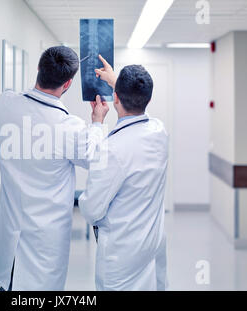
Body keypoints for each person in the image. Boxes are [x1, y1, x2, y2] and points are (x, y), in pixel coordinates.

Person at [0, 46, 109, 291]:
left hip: (9, 236)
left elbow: (19, 99)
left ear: (39, 69)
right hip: (44, 241)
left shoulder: (5, 106)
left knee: (9, 286)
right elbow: (97, 158)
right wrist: (97, 122)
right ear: (68, 84)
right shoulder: (69, 128)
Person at [79, 55, 169, 291]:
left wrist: (97, 124)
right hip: (150, 249)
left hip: (121, 256)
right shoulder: (160, 132)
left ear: (116, 98)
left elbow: (90, 209)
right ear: (148, 98)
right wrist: (117, 84)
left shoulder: (112, 150)